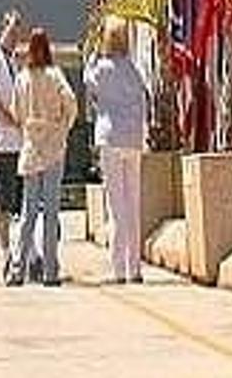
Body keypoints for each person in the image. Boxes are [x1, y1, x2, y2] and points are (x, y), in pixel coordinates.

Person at [85, 16, 152, 284]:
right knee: (134, 204)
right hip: (133, 139)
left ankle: (118, 268)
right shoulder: (133, 70)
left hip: (110, 138)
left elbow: (87, 81)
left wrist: (92, 54)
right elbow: (143, 101)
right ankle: (135, 268)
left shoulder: (101, 68)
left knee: (116, 206)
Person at [8, 27, 76, 287]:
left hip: (31, 148)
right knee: (50, 212)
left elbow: (16, 112)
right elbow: (71, 104)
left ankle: (17, 269)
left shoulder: (22, 79)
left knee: (28, 212)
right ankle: (50, 271)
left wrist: (28, 125)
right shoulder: (55, 75)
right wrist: (61, 127)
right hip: (53, 149)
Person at [0, 10, 26, 259]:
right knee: (4, 195)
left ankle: (19, 247)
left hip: (17, 141)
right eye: (12, 30)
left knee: (17, 197)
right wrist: (13, 121)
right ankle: (5, 248)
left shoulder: (12, 61)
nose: (15, 35)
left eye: (18, 31)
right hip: (3, 140)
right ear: (3, 28)